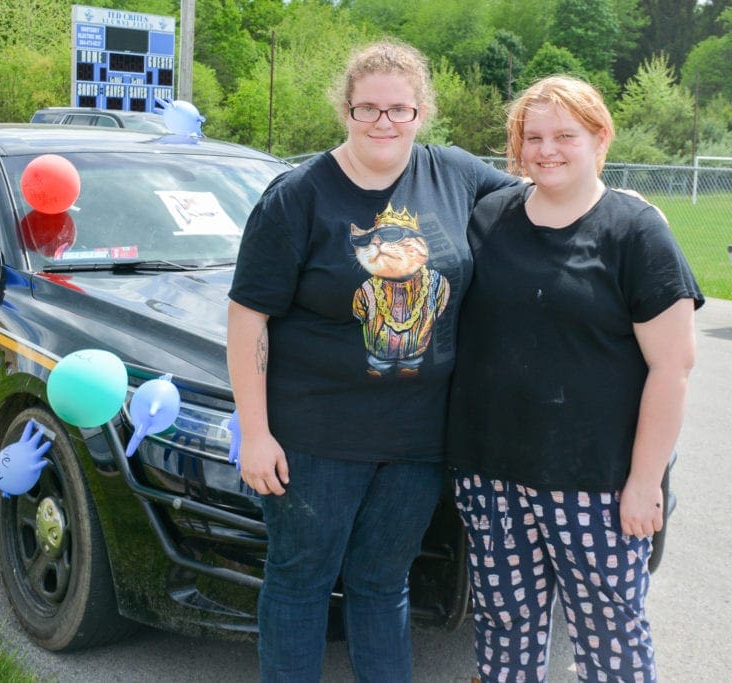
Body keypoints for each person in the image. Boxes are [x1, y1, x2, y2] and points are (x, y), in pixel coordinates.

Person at [226, 39, 519, 682]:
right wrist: (256, 432)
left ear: (421, 112)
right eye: (368, 109)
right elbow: (248, 317)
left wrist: (623, 208)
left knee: (384, 583)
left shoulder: (455, 174)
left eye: (399, 109)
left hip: (418, 441)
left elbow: (543, 203)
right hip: (315, 440)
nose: (383, 122)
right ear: (346, 111)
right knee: (300, 580)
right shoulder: (298, 196)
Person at [446, 75, 704, 682]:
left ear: (599, 138)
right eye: (533, 137)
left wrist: (645, 482)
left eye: (565, 135)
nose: (547, 150)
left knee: (611, 637)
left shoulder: (635, 231)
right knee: (504, 631)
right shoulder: (488, 218)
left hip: (597, 485)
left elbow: (673, 368)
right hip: (491, 475)